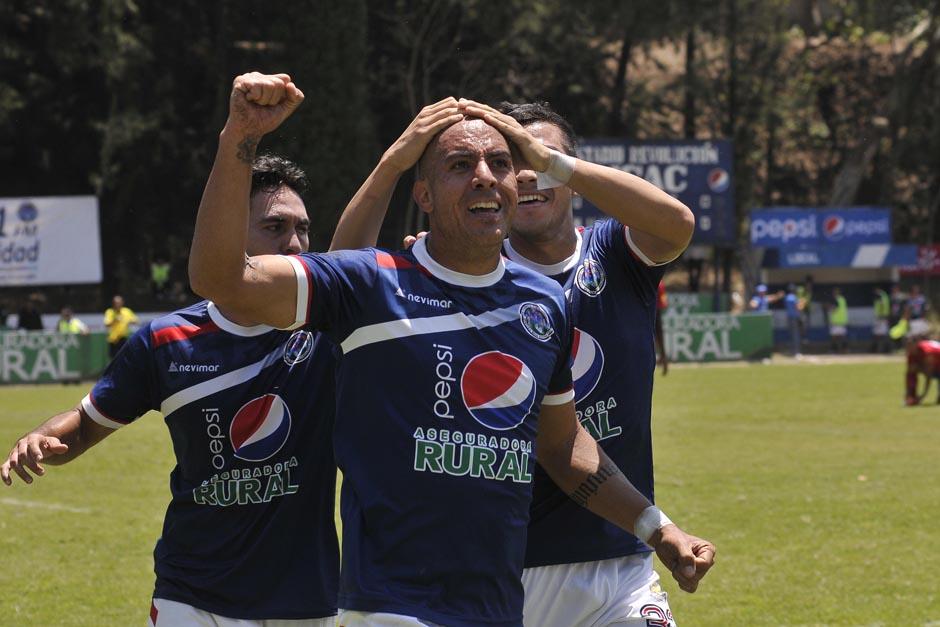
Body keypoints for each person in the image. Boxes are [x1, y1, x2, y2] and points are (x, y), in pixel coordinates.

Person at [189, 73, 710, 627]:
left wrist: (657, 528)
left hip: (509, 600)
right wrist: (241, 137)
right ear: (424, 196)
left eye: (500, 164)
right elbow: (221, 278)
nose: (485, 176)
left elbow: (562, 446)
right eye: (460, 165)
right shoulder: (375, 282)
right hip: (395, 608)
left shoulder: (542, 304)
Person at [330, 96, 715, 625]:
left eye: (540, 159)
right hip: (510, 564)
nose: (530, 174)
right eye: (517, 162)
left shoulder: (613, 251)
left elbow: (677, 223)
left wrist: (656, 525)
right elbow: (344, 279)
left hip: (618, 555)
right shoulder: (468, 267)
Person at [2, 154, 339, 627]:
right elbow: (84, 426)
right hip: (192, 595)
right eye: (275, 226)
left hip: (303, 599)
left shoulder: (330, 328)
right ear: (227, 232)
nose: (295, 243)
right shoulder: (167, 341)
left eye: (303, 228)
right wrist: (39, 439)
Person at [905, 338, 940, 405]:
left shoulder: (927, 352)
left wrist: (923, 395)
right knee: (912, 372)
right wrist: (908, 393)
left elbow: (929, 376)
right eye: (908, 346)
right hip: (935, 362)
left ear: (916, 345)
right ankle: (912, 396)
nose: (909, 348)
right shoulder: (911, 355)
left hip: (937, 360)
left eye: (911, 346)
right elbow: (909, 372)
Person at [828, 287, 848, 353]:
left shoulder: (836, 300)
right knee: (842, 336)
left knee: (834, 337)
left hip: (836, 321)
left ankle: (834, 350)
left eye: (835, 292)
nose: (834, 293)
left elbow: (834, 309)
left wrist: (829, 308)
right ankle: (843, 349)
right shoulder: (843, 299)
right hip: (842, 321)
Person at [785, 284, 803, 357]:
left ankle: (792, 351)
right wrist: (802, 302)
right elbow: (799, 307)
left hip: (789, 317)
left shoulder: (787, 297)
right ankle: (796, 352)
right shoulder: (794, 297)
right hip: (794, 318)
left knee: (792, 335)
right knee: (796, 335)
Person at [655, 280, 669, 375]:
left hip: (652, 313)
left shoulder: (659, 284)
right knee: (660, 340)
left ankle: (663, 361)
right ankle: (664, 362)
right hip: (657, 312)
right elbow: (664, 302)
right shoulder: (660, 284)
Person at [872, 287, 891, 353]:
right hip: (882, 317)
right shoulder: (884, 295)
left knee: (881, 334)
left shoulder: (880, 295)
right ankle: (882, 349)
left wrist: (881, 315)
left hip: (881, 317)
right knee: (882, 333)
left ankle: (883, 349)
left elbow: (882, 305)